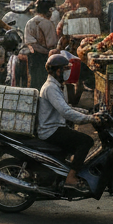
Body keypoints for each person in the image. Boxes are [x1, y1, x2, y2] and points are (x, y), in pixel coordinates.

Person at [38, 54, 98, 189]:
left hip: (56, 127)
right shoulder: (51, 88)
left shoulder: (58, 86)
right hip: (51, 131)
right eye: (65, 69)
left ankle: (65, 172)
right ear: (58, 71)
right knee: (86, 141)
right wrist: (89, 119)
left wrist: (87, 113)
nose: (68, 71)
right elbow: (65, 112)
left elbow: (67, 107)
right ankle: (71, 178)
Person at [24, 0, 60, 90]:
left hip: (32, 56)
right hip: (45, 57)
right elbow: (52, 43)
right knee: (44, 82)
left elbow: (28, 41)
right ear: (48, 11)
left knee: (34, 81)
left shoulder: (29, 22)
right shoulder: (48, 24)